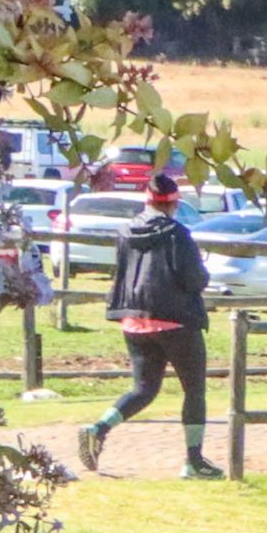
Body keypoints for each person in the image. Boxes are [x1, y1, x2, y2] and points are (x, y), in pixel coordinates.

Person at [77, 176, 215, 476]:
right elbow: (194, 279)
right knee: (194, 390)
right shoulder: (177, 234)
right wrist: (204, 274)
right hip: (176, 320)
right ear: (174, 203)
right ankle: (194, 460)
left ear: (147, 200)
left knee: (143, 389)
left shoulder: (126, 231)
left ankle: (98, 428)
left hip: (135, 320)